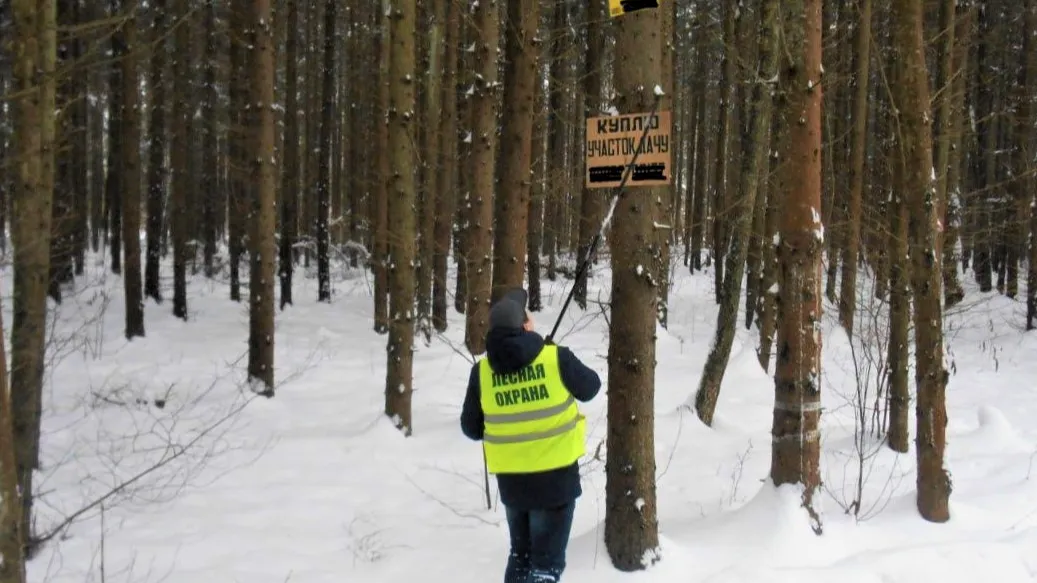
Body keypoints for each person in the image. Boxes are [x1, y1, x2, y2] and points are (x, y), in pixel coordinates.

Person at [461, 287, 601, 583]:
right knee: (545, 568)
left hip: (513, 486)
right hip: (555, 483)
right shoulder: (555, 359)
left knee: (521, 559)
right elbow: (591, 387)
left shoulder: (482, 373)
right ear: (525, 326)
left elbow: (471, 428)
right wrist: (552, 357)